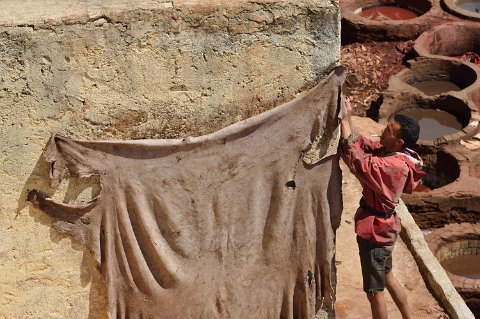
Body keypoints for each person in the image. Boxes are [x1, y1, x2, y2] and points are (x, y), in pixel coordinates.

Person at [339, 96, 425, 319]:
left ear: (399, 142)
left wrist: (342, 120)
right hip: (385, 231)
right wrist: (347, 114)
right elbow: (363, 144)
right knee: (388, 276)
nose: (383, 131)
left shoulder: (392, 167)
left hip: (376, 234)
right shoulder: (399, 155)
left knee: (374, 293)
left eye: (389, 130)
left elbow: (359, 161)